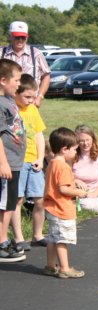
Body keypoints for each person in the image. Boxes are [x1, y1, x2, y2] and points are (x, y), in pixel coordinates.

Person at [43, 127, 88, 278]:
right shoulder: (63, 167)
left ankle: (50, 265)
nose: (76, 152)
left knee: (52, 238)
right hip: (62, 209)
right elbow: (64, 189)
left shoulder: (52, 163)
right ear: (64, 149)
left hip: (51, 208)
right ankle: (64, 268)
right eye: (75, 150)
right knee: (63, 240)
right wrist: (79, 192)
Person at [10, 74, 46, 252]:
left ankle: (38, 235)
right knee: (17, 199)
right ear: (16, 93)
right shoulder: (11, 109)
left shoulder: (32, 110)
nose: (31, 101)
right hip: (17, 161)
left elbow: (39, 134)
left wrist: (40, 158)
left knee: (39, 200)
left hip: (34, 161)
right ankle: (18, 237)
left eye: (34, 97)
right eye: (27, 97)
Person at [0, 59, 26, 262]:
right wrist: (3, 163)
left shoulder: (9, 100)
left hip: (15, 162)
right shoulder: (0, 104)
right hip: (7, 163)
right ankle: (1, 242)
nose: (19, 84)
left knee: (9, 204)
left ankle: (3, 239)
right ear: (2, 80)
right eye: (16, 80)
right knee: (5, 205)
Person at [1, 21, 50, 108]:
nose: (20, 40)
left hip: (30, 103)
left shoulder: (36, 53)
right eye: (17, 37)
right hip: (6, 103)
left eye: (23, 37)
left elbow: (46, 76)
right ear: (10, 36)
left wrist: (40, 97)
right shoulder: (1, 53)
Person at [72, 125, 98, 213]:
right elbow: (64, 175)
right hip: (77, 194)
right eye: (81, 141)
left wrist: (94, 194)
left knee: (87, 205)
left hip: (97, 195)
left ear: (93, 139)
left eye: (87, 140)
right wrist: (75, 180)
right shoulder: (72, 155)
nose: (85, 144)